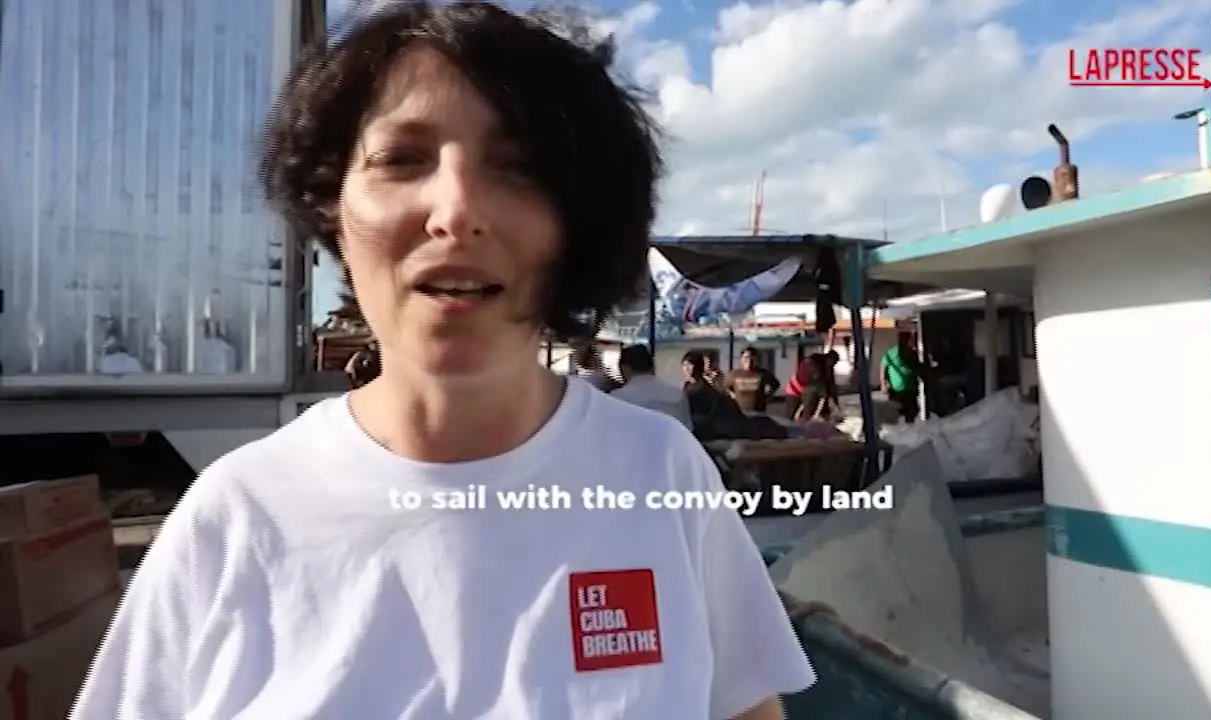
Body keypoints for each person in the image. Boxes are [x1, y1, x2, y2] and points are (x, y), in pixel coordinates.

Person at [70, 4, 812, 719]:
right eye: (401, 159)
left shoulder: (661, 474)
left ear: (577, 223)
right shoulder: (235, 519)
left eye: (517, 166)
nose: (456, 212)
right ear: (333, 207)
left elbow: (744, 708)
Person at [612, 344, 692, 429]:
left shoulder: (618, 398)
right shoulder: (677, 394)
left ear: (624, 368)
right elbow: (688, 429)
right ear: (653, 367)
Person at [881, 331, 923, 422]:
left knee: (907, 414)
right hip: (899, 389)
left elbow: (918, 368)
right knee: (901, 414)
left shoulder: (912, 353)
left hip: (906, 389)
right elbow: (883, 368)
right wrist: (883, 384)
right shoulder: (892, 353)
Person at [726, 346, 780, 414]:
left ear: (756, 359)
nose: (749, 361)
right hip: (739, 412)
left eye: (752, 358)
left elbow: (775, 385)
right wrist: (733, 395)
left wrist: (768, 398)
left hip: (758, 412)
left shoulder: (763, 373)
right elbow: (726, 386)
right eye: (746, 357)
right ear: (741, 359)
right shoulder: (734, 374)